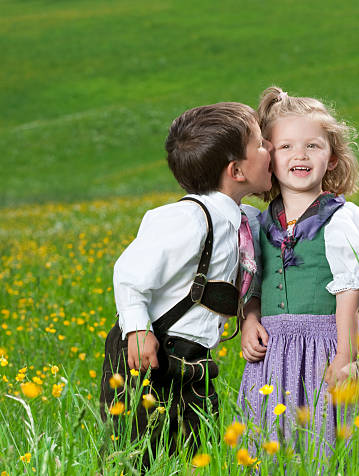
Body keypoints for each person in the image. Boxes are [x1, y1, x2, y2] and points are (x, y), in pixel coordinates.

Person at [99, 102, 272, 469]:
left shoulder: (247, 221)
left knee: (196, 451)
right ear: (236, 170)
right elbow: (129, 272)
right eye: (260, 143)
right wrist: (137, 329)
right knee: (135, 452)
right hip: (150, 351)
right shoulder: (186, 219)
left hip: (195, 357)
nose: (269, 148)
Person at [238, 87, 359, 466]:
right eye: (286, 147)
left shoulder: (342, 220)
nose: (300, 155)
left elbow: (349, 291)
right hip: (272, 352)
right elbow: (252, 284)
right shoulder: (257, 223)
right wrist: (250, 319)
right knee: (274, 436)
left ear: (333, 157)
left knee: (330, 433)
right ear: (268, 158)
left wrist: (344, 354)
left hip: (325, 344)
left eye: (313, 146)